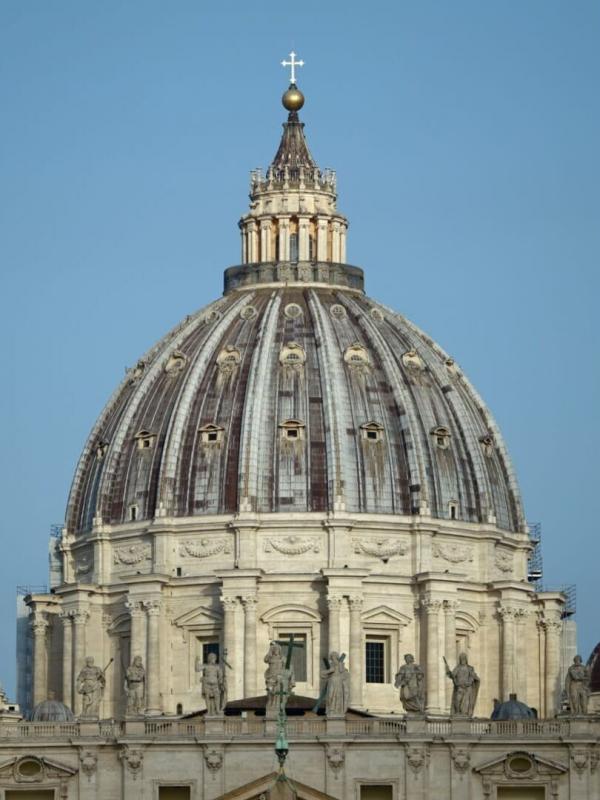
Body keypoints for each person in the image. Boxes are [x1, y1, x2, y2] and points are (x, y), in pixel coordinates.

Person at [264, 642, 294, 718]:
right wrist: (270, 649)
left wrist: (284, 675)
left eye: (277, 649)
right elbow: (265, 659)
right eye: (274, 649)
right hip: (270, 677)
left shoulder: (282, 658)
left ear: (280, 650)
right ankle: (271, 707)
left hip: (279, 678)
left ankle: (278, 708)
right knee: (270, 693)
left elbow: (289, 667)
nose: (276, 650)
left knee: (278, 694)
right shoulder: (270, 657)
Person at [321, 652, 350, 716]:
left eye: (334, 657)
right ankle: (331, 709)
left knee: (338, 695)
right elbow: (322, 674)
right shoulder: (330, 666)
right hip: (331, 682)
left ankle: (336, 710)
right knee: (330, 695)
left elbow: (345, 673)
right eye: (332, 657)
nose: (333, 659)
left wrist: (340, 666)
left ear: (337, 657)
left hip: (338, 682)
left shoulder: (341, 664)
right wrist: (330, 671)